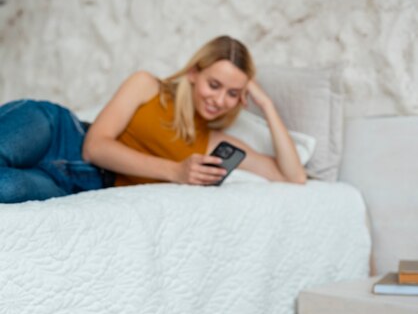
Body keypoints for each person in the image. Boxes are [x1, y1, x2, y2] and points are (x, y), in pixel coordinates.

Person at [0, 36, 305, 204]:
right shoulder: (147, 86)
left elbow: (294, 177)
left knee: (7, 188)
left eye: (233, 93)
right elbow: (94, 147)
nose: (219, 100)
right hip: (62, 133)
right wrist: (176, 171)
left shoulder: (213, 143)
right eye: (214, 85)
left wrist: (266, 105)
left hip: (79, 184)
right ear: (194, 73)